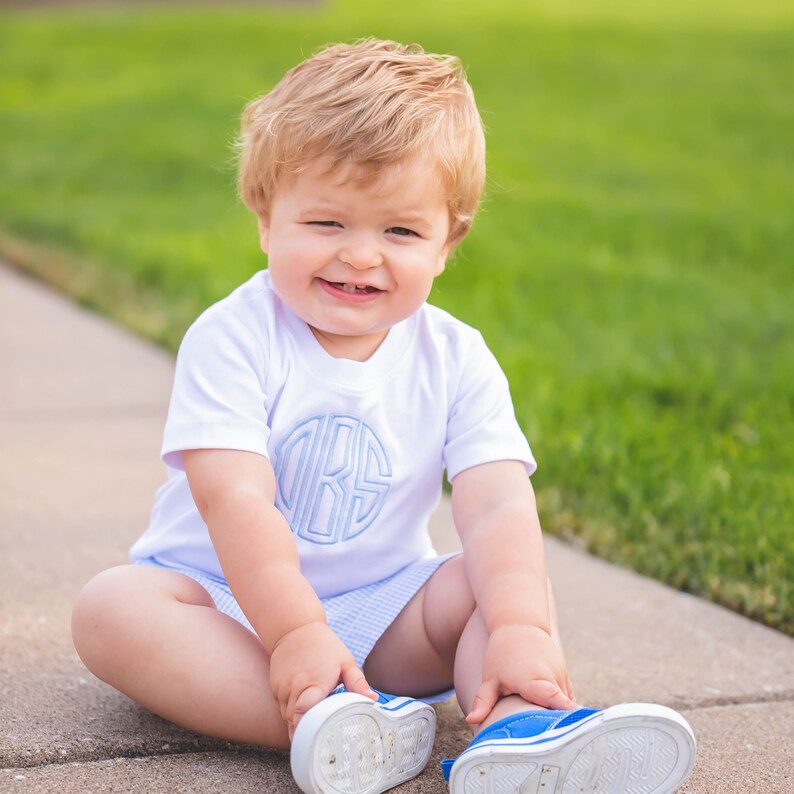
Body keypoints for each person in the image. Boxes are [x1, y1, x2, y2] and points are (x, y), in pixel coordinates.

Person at [71, 38, 696, 794]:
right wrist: (297, 634)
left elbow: (496, 498)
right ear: (265, 217)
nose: (362, 257)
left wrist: (523, 629)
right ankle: (326, 721)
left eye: (399, 232)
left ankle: (520, 726)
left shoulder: (455, 357)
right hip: (228, 608)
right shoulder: (234, 337)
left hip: (384, 607)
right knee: (113, 610)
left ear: (446, 242)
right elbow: (234, 497)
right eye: (328, 224)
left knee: (487, 584)